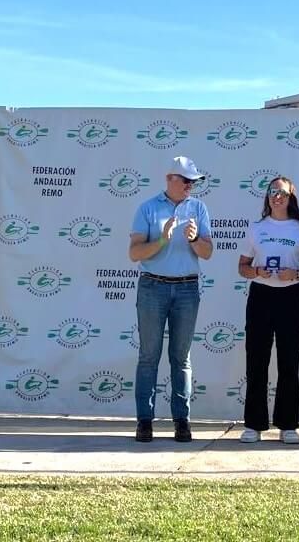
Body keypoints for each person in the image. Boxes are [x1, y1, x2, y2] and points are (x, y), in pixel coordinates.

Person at [129, 156, 213, 443]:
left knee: (181, 357)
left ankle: (182, 421)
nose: (191, 186)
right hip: (153, 287)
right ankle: (144, 421)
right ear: (170, 179)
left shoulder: (199, 208)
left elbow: (207, 253)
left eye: (194, 182)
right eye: (186, 180)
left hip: (187, 289)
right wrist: (163, 239)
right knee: (149, 356)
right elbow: (135, 253)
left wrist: (193, 239)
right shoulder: (148, 208)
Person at [237, 176, 299, 444]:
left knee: (289, 362)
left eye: (281, 192)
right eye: (272, 192)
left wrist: (294, 274)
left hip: (291, 297)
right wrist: (257, 271)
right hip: (261, 295)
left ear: (291, 197)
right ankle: (253, 424)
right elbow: (242, 266)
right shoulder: (256, 227)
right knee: (256, 361)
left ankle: (288, 424)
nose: (276, 196)